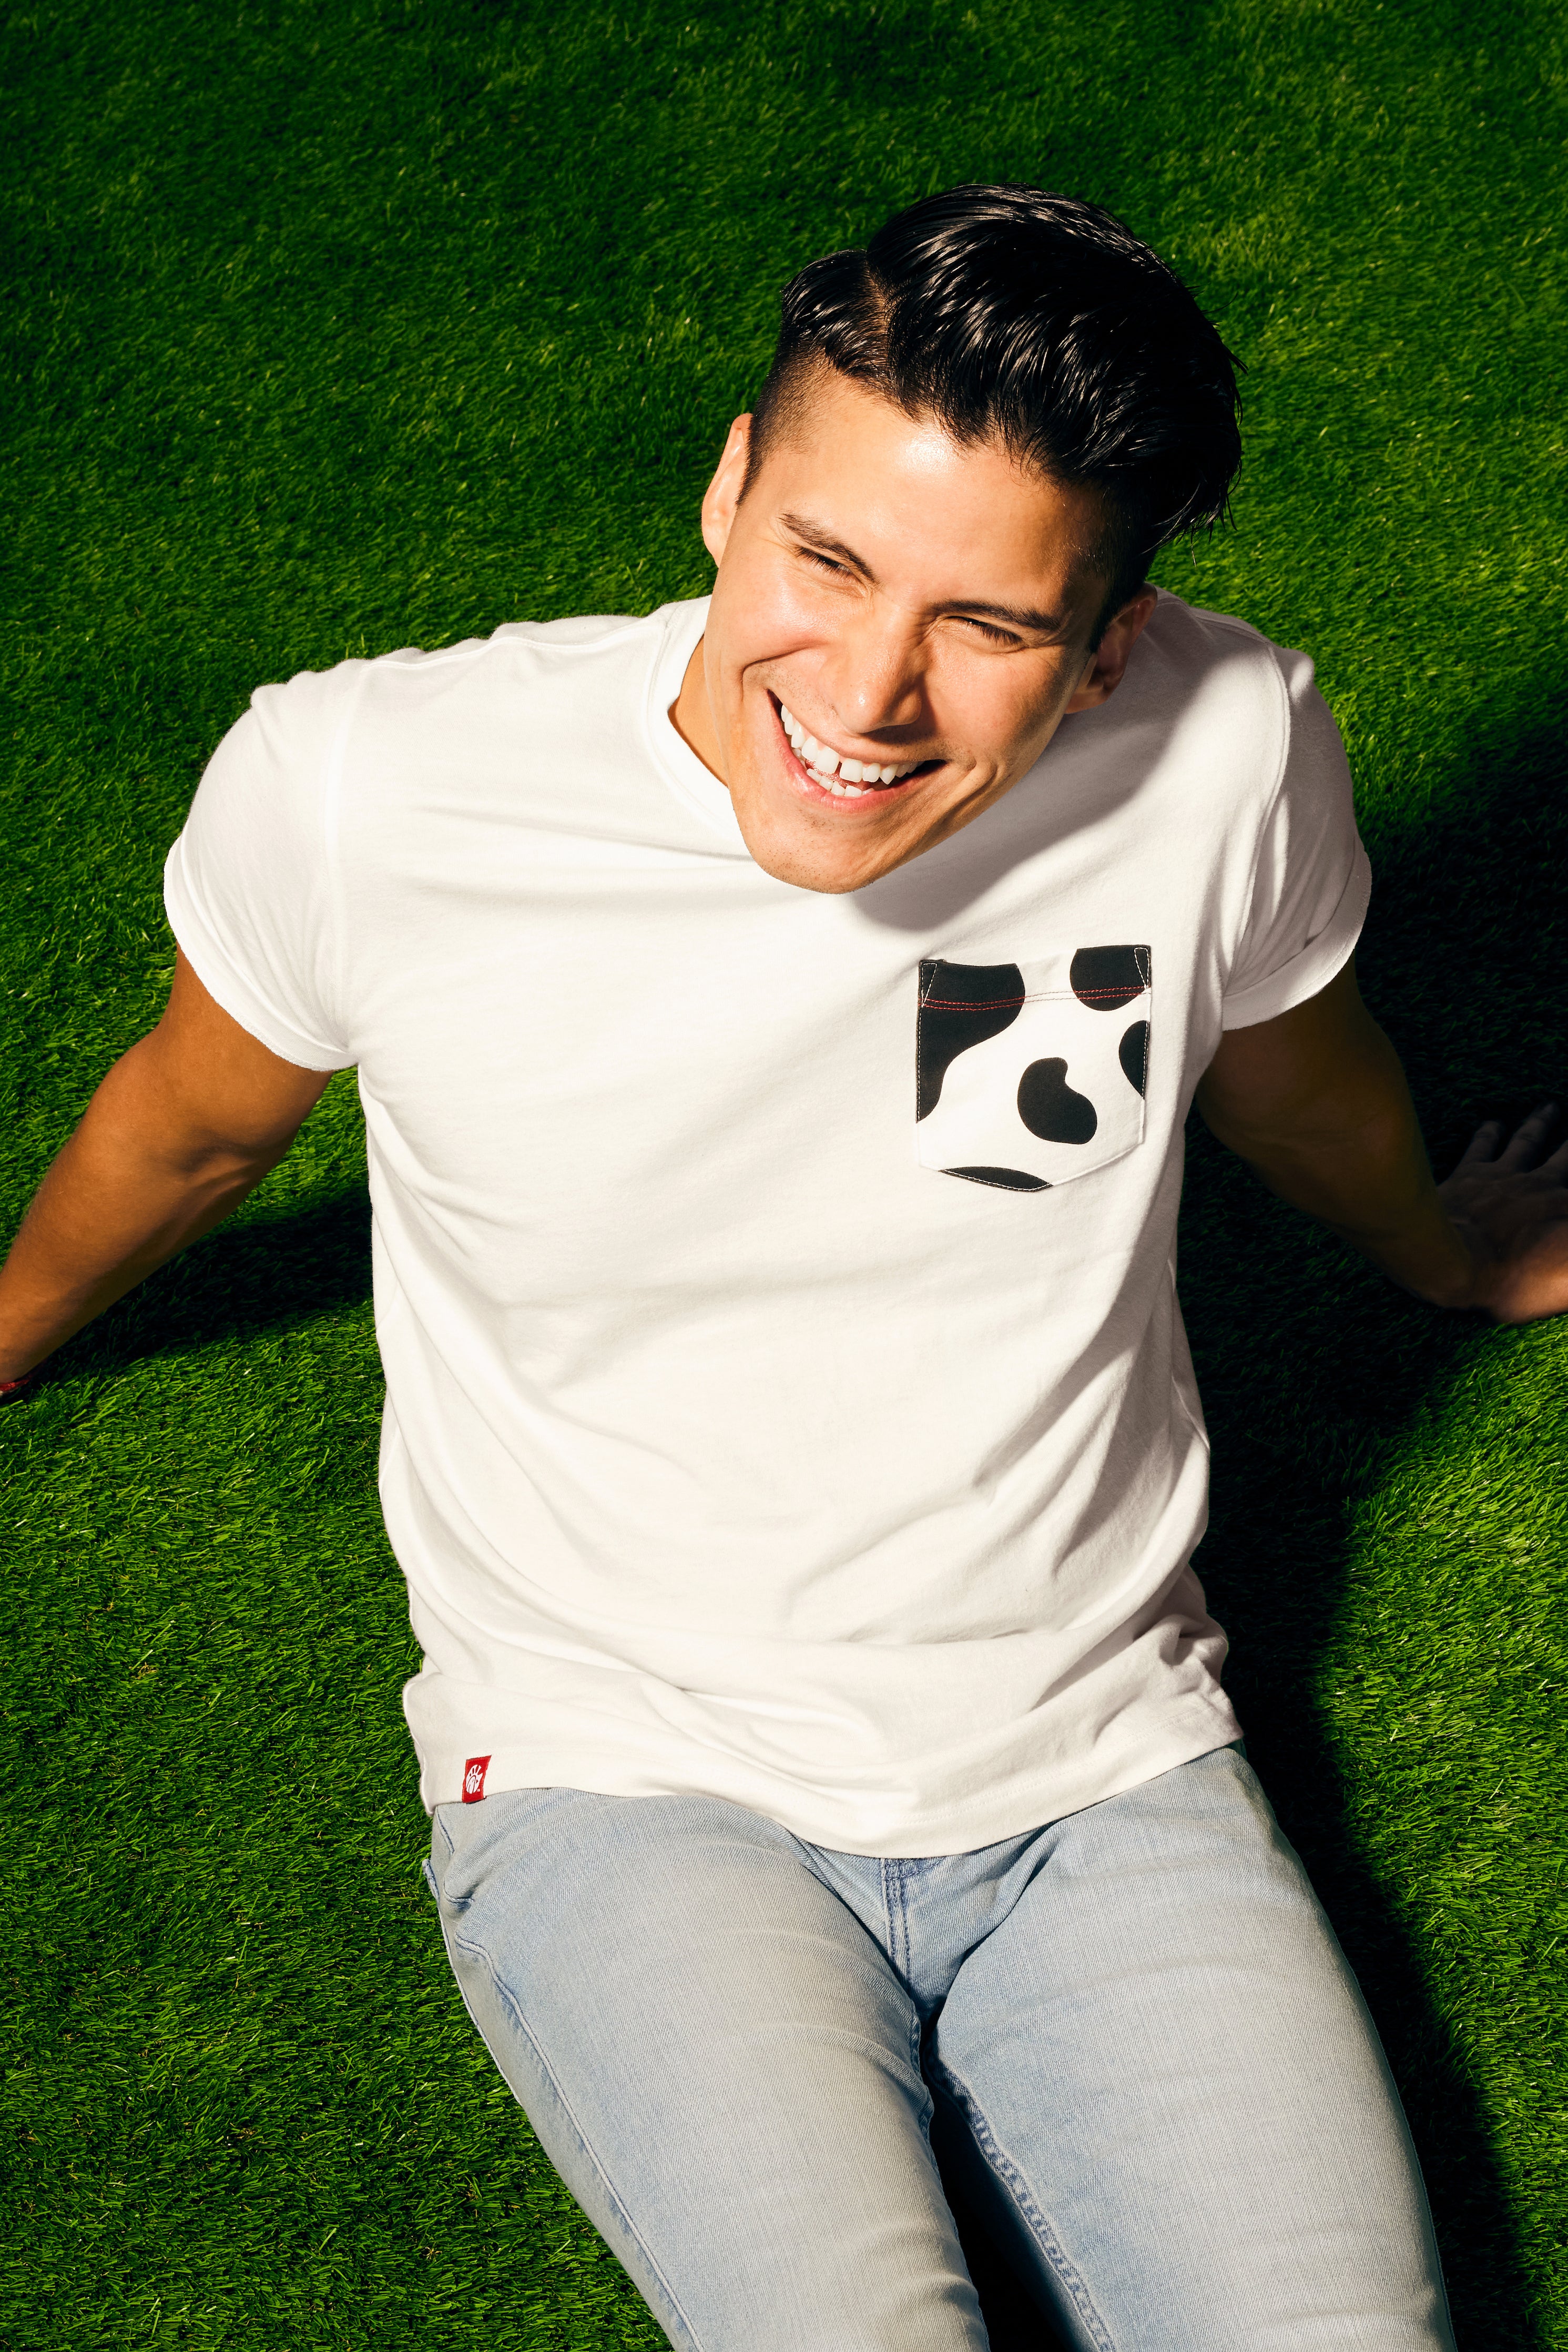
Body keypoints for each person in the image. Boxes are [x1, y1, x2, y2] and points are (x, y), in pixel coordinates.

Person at [3, 184, 1565, 2351]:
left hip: (1097, 1752)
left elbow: (1285, 1072)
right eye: (821, 559)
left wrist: (1434, 1245)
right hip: (619, 1775)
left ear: (1107, 642)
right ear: (729, 485)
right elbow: (189, 1123)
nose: (864, 689)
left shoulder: (1220, 745)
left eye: (989, 624)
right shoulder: (371, 787)